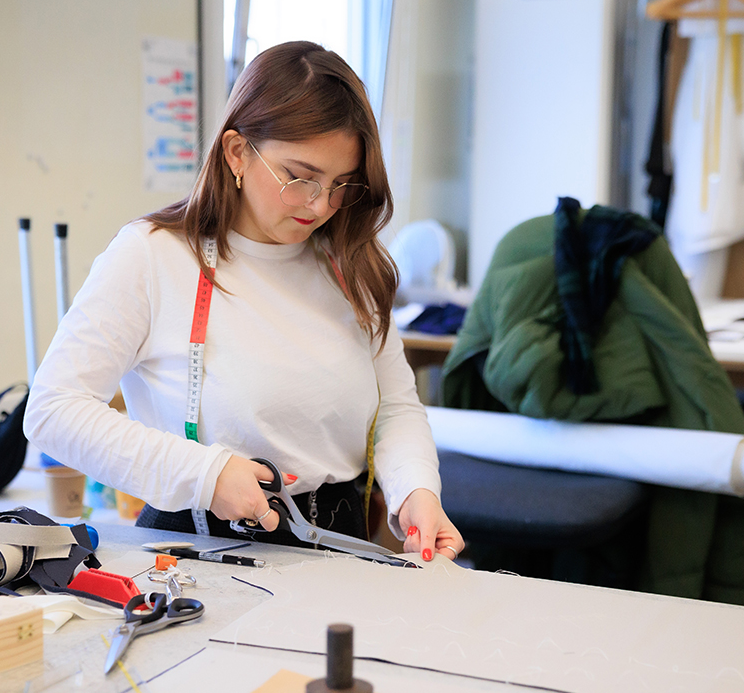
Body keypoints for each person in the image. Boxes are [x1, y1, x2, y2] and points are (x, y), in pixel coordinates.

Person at [23, 41, 464, 562]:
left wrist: (416, 490)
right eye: (299, 177)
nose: (321, 205)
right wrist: (204, 474)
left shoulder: (354, 262)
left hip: (341, 547)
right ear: (236, 151)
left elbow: (394, 405)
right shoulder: (153, 256)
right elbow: (54, 410)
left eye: (341, 184)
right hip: (194, 551)